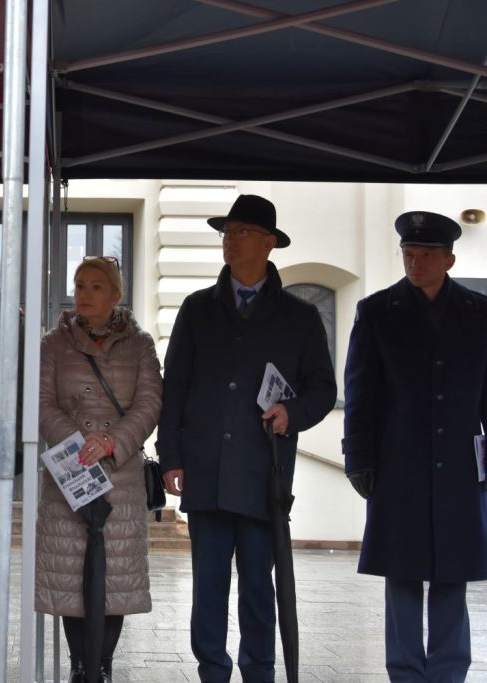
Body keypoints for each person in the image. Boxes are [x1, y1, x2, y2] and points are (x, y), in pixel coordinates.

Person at [157, 194, 336, 683]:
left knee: (259, 585)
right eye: (227, 232)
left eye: (242, 232)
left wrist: (292, 412)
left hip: (263, 474)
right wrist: (170, 456)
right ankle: (212, 671)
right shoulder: (197, 309)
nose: (230, 241)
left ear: (269, 243)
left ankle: (259, 671)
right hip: (206, 469)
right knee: (208, 586)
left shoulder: (300, 316)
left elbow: (323, 388)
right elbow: (175, 387)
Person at [342, 211, 487, 682]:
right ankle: (404, 672)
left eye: (426, 255)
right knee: (401, 573)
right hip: (396, 465)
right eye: (409, 253)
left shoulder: (480, 313)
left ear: (449, 260)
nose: (415, 262)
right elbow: (360, 393)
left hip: (460, 467)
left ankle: (447, 672)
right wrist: (358, 458)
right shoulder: (377, 311)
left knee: (453, 573)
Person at [36, 256, 162, 682]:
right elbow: (41, 402)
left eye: (95, 286)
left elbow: (150, 402)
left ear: (116, 295)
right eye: (79, 285)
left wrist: (111, 442)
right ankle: (79, 665)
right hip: (72, 470)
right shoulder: (53, 343)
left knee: (115, 577)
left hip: (120, 471)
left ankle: (102, 665)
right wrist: (78, 443)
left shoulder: (140, 344)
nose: (84, 294)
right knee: (71, 573)